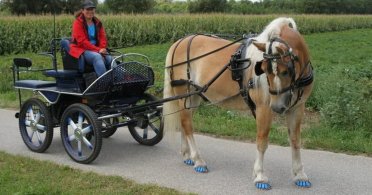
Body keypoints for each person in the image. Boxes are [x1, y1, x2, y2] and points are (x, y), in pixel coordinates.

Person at [69, 0, 114, 77]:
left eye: (92, 9)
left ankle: (119, 80)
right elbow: (82, 42)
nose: (90, 11)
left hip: (97, 49)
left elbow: (103, 38)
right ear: (82, 10)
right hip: (82, 49)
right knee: (97, 57)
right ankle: (104, 83)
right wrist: (98, 50)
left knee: (111, 59)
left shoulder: (98, 22)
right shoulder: (78, 23)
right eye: (87, 9)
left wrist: (102, 49)